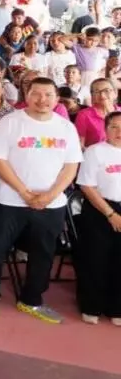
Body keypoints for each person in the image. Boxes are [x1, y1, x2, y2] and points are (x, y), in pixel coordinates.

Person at [0, 78, 82, 324]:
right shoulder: (10, 122)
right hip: (9, 201)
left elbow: (71, 166)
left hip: (51, 204)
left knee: (43, 254)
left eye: (48, 94)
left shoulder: (66, 127)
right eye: (36, 94)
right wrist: (25, 193)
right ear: (27, 94)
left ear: (57, 98)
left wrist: (49, 195)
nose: (42, 100)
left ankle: (32, 299)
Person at [75, 111, 121, 325]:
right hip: (99, 208)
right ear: (105, 129)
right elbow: (87, 186)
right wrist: (111, 214)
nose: (119, 132)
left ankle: (116, 308)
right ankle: (91, 305)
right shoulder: (95, 152)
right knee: (95, 259)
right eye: (114, 127)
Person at [75, 78, 117, 148]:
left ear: (115, 94)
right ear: (92, 96)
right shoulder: (84, 115)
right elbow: (79, 145)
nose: (102, 95)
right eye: (97, 92)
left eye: (106, 90)